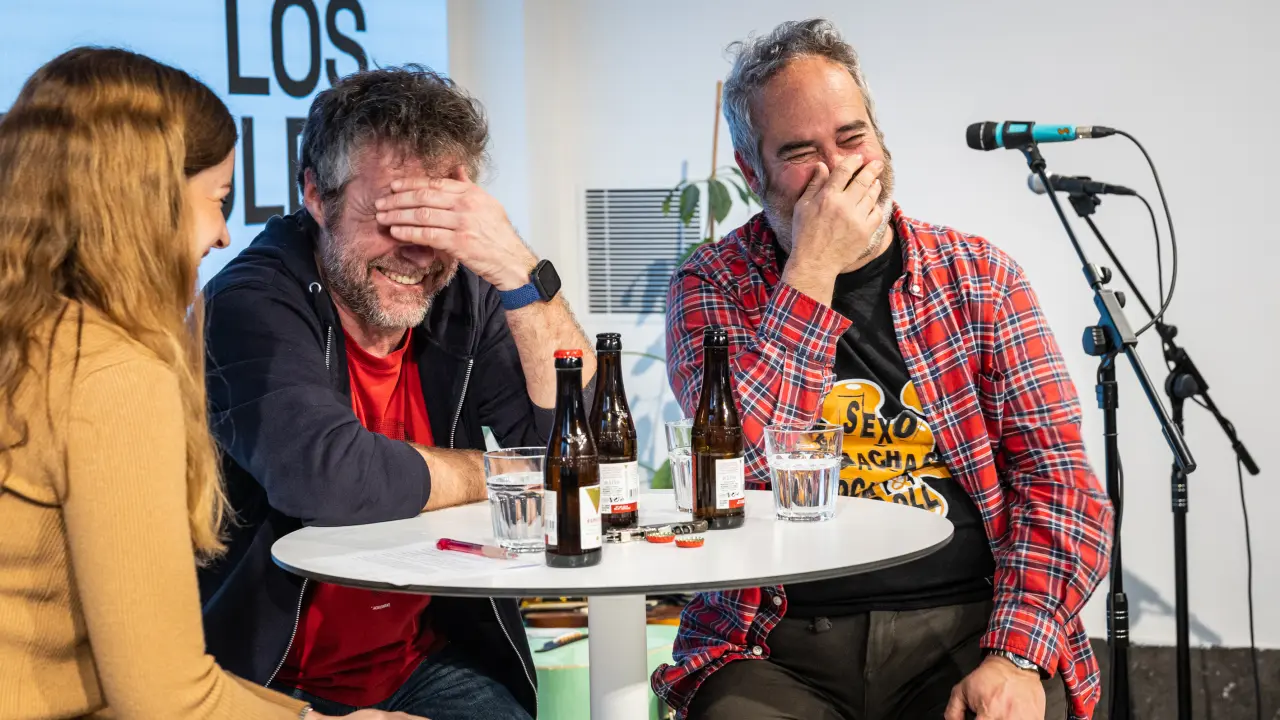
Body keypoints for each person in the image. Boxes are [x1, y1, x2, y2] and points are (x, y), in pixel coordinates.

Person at [653, 19, 1114, 720]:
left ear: (881, 139)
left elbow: (1061, 486)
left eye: (852, 137)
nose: (838, 170)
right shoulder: (710, 284)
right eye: (801, 152)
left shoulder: (979, 277)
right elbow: (741, 463)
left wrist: (1015, 658)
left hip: (965, 626)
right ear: (752, 173)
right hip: (773, 642)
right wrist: (813, 269)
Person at [0, 47, 416, 720]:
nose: (223, 235)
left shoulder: (32, 343)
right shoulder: (110, 376)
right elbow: (165, 701)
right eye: (217, 201)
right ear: (141, 200)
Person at [198, 64, 594, 719]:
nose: (416, 250)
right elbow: (326, 478)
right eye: (392, 214)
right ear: (316, 195)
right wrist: (495, 470)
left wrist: (518, 270)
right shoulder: (250, 302)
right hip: (266, 682)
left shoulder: (464, 291)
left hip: (425, 661)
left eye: (438, 219)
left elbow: (581, 454)